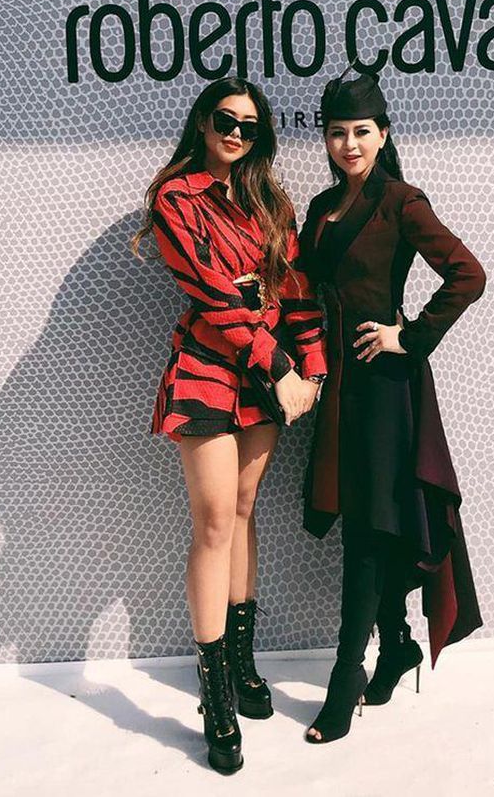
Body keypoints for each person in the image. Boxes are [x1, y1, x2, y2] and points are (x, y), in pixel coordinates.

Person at [130, 77, 328, 773]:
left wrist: (314, 369)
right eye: (226, 119)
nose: (237, 133)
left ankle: (243, 666)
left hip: (271, 377)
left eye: (250, 125)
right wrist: (280, 364)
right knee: (215, 521)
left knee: (244, 510)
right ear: (202, 122)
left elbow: (295, 289)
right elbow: (215, 295)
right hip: (210, 370)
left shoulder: (271, 203)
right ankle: (215, 694)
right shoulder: (176, 197)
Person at [298, 65, 487, 743]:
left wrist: (409, 336)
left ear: (383, 134)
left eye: (361, 131)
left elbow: (468, 274)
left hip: (385, 390)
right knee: (366, 519)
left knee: (368, 530)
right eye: (337, 132)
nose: (348, 144)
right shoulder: (322, 207)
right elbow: (302, 285)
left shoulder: (402, 202)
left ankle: (345, 677)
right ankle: (397, 645)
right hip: (336, 388)